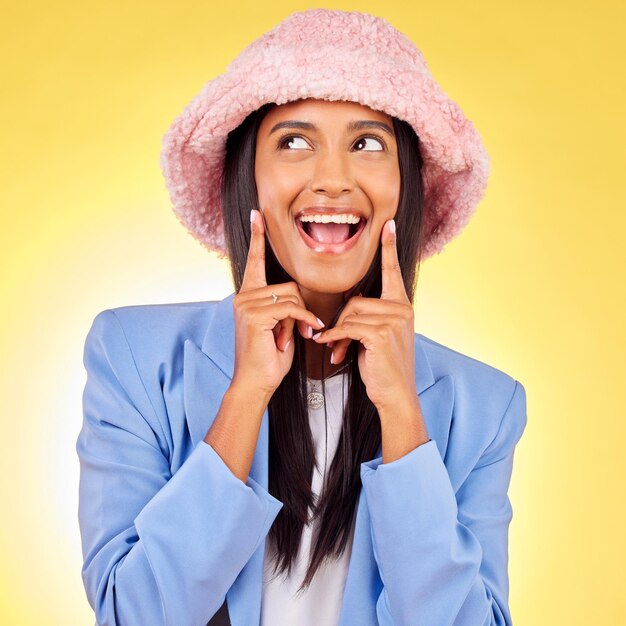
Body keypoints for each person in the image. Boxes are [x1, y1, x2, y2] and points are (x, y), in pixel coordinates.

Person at [76, 9, 527, 626]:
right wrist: (246, 393)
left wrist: (402, 415)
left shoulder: (485, 407)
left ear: (406, 184)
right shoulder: (133, 355)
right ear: (248, 178)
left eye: (368, 144)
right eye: (293, 141)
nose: (333, 179)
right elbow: (135, 615)